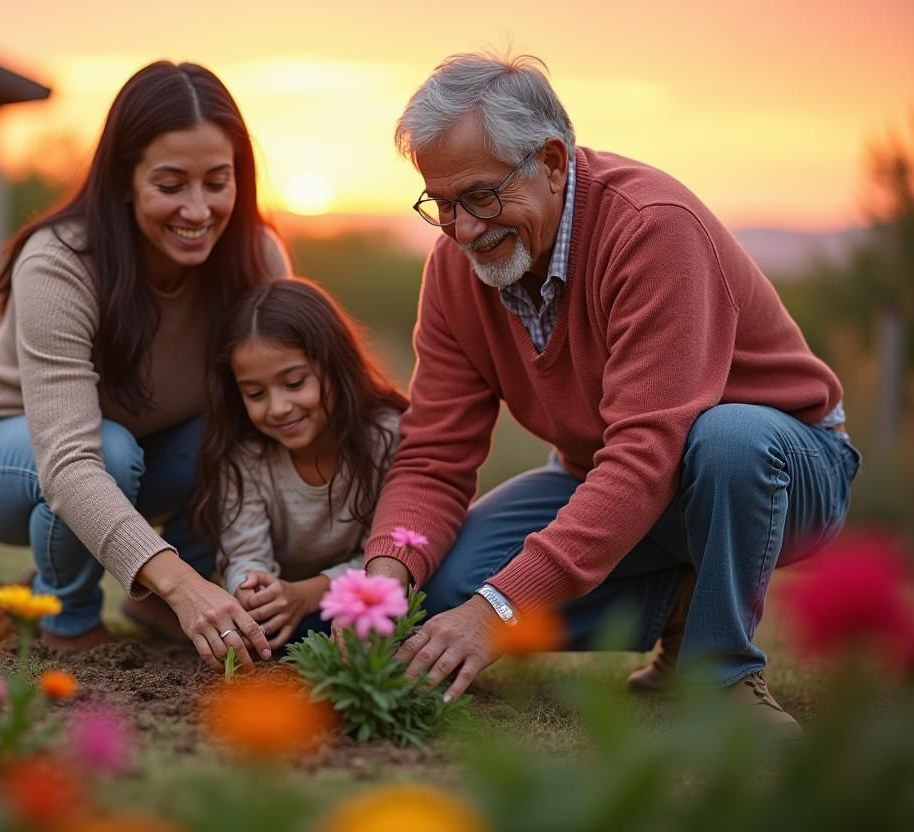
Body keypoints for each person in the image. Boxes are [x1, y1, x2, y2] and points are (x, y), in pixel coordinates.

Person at [361, 52, 860, 732]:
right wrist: (387, 574)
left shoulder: (651, 229)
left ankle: (723, 675)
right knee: (452, 586)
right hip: (617, 478)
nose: (463, 230)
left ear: (553, 163)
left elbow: (648, 451)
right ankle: (686, 604)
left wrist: (500, 611)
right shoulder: (456, 270)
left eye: (480, 196)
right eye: (442, 204)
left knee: (727, 440)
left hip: (786, 469)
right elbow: (433, 456)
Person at [0, 61, 289, 670]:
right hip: (1, 458)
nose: (198, 210)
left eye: (217, 181)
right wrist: (176, 580)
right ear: (126, 178)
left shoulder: (256, 258)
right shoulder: (61, 262)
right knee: (109, 450)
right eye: (171, 185)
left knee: (248, 428)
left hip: (140, 454)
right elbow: (70, 461)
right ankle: (65, 617)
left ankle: (167, 601)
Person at [192, 278, 406, 649]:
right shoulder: (245, 454)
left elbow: (389, 556)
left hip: (352, 601)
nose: (277, 408)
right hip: (283, 608)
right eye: (255, 394)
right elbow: (243, 551)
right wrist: (253, 588)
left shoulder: (385, 438)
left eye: (294, 383)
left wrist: (307, 593)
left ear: (336, 366)